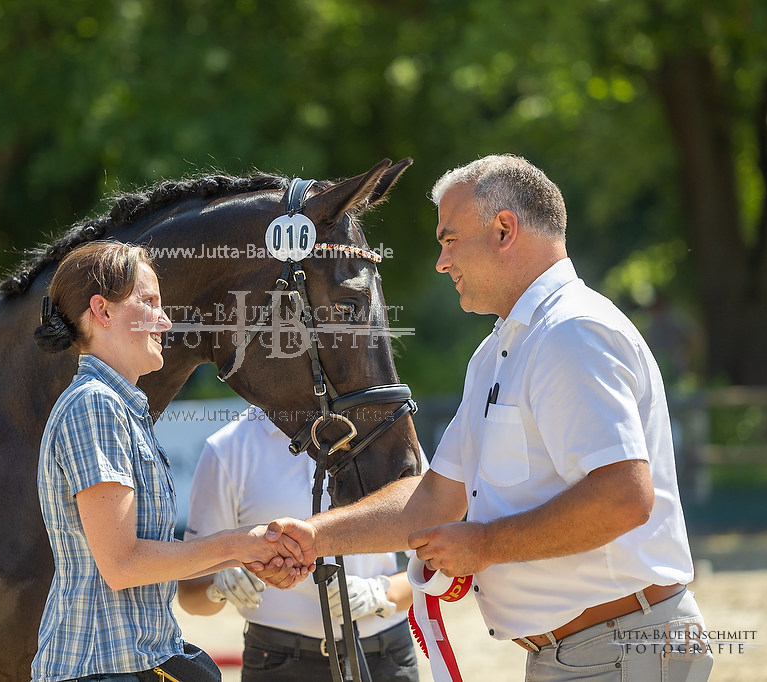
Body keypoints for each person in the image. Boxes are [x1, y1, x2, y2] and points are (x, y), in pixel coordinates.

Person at [257, 155, 714, 681]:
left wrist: (486, 545)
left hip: (617, 650)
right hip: (594, 653)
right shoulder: (503, 348)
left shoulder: (569, 333)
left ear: (503, 229)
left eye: (449, 240)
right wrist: (313, 537)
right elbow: (433, 501)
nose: (441, 262)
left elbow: (623, 497)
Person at [31, 241, 309, 682]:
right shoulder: (95, 406)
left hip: (128, 665)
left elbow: (142, 560)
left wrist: (250, 554)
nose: (165, 320)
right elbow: (123, 565)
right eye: (150, 302)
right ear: (101, 311)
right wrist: (239, 545)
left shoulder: (117, 407)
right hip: (102, 670)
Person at [178, 405, 422, 682]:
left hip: (384, 656)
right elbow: (190, 596)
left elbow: (437, 558)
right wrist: (218, 586)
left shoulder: (384, 429)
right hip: (277, 662)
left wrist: (382, 594)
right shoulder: (228, 447)